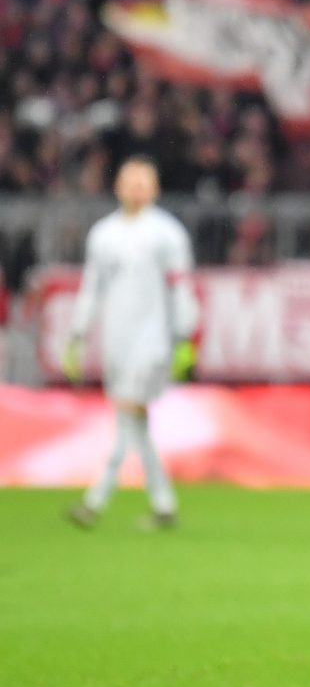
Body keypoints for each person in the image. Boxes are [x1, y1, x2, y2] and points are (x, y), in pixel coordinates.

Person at [63, 157, 198, 531]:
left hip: (152, 341)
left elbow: (181, 287)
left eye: (144, 181)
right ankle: (164, 503)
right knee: (134, 421)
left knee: (129, 415)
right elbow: (92, 289)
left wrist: (185, 335)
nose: (136, 187)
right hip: (116, 341)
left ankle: (96, 499)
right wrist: (77, 334)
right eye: (130, 180)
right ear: (117, 186)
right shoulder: (103, 235)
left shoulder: (168, 234)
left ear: (154, 188)